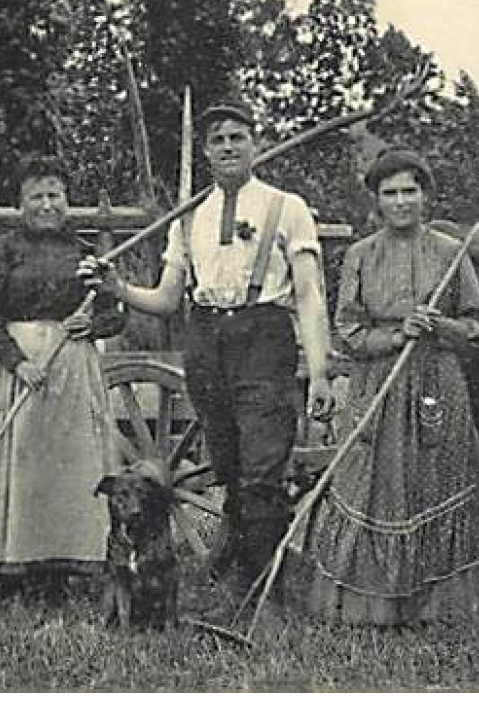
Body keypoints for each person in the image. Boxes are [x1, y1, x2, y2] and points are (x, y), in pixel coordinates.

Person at [79, 101, 337, 592]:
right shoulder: (188, 217)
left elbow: (309, 295)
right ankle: (241, 571)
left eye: (238, 136)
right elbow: (166, 299)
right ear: (205, 152)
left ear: (255, 143)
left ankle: (262, 591)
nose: (228, 146)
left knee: (261, 470)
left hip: (263, 336)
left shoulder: (287, 207)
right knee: (229, 465)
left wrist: (320, 370)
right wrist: (118, 290)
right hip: (206, 340)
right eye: (218, 139)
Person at [302, 147, 479, 624]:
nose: (401, 201)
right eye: (390, 193)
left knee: (437, 480)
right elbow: (348, 332)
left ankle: (441, 605)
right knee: (376, 484)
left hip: (438, 384)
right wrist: (397, 334)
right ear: (376, 201)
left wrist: (442, 328)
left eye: (410, 191)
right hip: (379, 385)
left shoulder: (449, 253)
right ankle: (374, 605)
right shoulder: (360, 255)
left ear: (425, 196)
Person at [0, 156, 124, 598]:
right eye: (37, 196)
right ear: (21, 202)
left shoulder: (84, 253)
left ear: (67, 201)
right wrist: (17, 362)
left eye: (55, 195)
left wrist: (94, 325)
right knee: (14, 465)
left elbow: (112, 312)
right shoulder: (2, 250)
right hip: (16, 368)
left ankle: (59, 568)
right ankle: (7, 569)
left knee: (64, 467)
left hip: (70, 368)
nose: (47, 204)